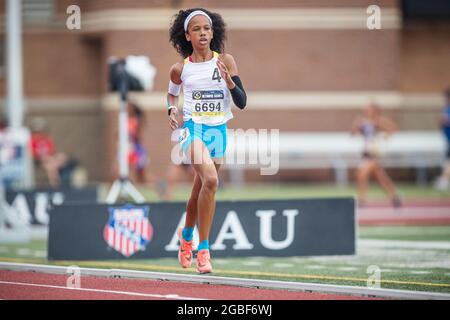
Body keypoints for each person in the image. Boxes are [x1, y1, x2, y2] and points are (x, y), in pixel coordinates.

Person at [167, 8, 247, 273]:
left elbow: (242, 103)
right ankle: (204, 250)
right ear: (187, 35)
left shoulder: (226, 61)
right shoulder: (180, 69)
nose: (203, 33)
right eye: (197, 29)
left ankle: (186, 237)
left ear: (213, 32)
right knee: (211, 180)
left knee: (200, 188)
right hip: (193, 128)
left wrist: (230, 82)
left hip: (218, 129)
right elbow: (172, 95)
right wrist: (172, 109)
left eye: (207, 29)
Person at [351, 104, 401, 208]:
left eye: (369, 110)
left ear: (374, 111)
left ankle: (361, 199)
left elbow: (392, 128)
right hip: (366, 152)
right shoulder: (363, 122)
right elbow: (353, 134)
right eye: (365, 109)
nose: (366, 111)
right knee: (381, 178)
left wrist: (383, 138)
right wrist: (356, 125)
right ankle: (394, 197)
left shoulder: (377, 121)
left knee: (362, 174)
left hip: (374, 154)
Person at [434, 88, 450, 191]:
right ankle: (444, 180)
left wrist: (445, 120)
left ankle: (444, 180)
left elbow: (444, 120)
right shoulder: (446, 109)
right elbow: (441, 124)